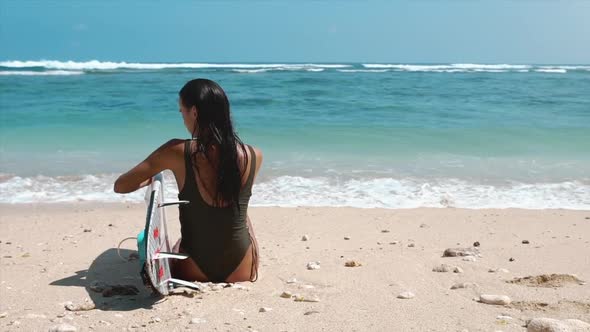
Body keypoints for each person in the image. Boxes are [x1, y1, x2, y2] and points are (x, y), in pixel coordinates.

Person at [114, 78, 262, 283]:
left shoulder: (177, 151)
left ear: (194, 112)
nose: (182, 118)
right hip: (243, 269)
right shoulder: (254, 155)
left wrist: (150, 179)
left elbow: (121, 186)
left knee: (179, 245)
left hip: (194, 269)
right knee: (242, 214)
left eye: (181, 112)